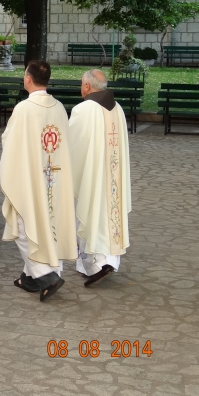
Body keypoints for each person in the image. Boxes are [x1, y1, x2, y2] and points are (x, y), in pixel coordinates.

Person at [0, 60, 77, 302]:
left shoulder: (24, 108)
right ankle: (29, 278)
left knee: (24, 225)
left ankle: (46, 275)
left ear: (28, 79)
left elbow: (9, 141)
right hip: (54, 176)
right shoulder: (59, 107)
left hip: (30, 177)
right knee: (48, 222)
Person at [68, 70, 131, 286]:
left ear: (87, 86)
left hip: (91, 174)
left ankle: (96, 265)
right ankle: (110, 261)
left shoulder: (84, 109)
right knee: (110, 215)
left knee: (89, 210)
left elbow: (73, 145)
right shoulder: (117, 108)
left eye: (81, 84)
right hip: (113, 174)